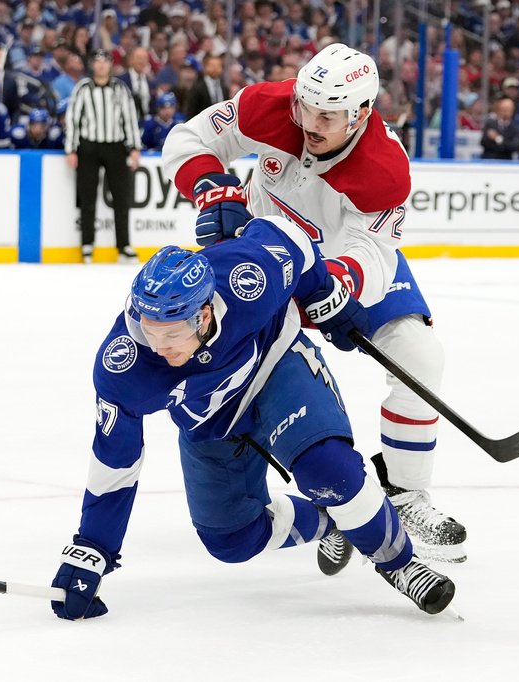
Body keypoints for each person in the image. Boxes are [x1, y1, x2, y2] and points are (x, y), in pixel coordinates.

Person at [50, 224, 457, 621]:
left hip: (277, 368)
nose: (159, 347)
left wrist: (322, 291)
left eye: (172, 333)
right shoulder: (122, 366)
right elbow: (115, 462)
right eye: (149, 330)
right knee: (231, 540)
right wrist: (92, 548)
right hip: (212, 422)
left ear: (203, 314)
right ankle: (337, 521)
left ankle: (400, 565)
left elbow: (291, 237)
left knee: (327, 470)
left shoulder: (246, 275)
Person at [162, 43, 468, 564]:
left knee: (420, 354)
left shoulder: (384, 167)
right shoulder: (271, 105)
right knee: (249, 375)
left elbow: (370, 249)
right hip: (263, 261)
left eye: (327, 115)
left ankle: (405, 494)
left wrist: (341, 284)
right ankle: (335, 500)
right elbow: (188, 137)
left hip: (342, 263)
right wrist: (214, 187)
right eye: (306, 106)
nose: (308, 121)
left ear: (362, 114)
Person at [64, 49, 142, 264]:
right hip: (89, 147)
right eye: (96, 61)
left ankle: (123, 245)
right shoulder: (83, 88)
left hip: (116, 147)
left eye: (104, 62)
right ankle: (87, 243)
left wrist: (134, 147)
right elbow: (73, 119)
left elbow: (130, 118)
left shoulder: (120, 88)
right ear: (93, 65)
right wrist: (71, 149)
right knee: (88, 197)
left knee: (121, 197)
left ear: (110, 65)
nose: (100, 66)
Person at [185, 53, 225, 119]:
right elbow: (191, 111)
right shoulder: (197, 88)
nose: (215, 68)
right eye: (212, 65)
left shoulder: (224, 89)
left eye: (218, 65)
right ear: (205, 67)